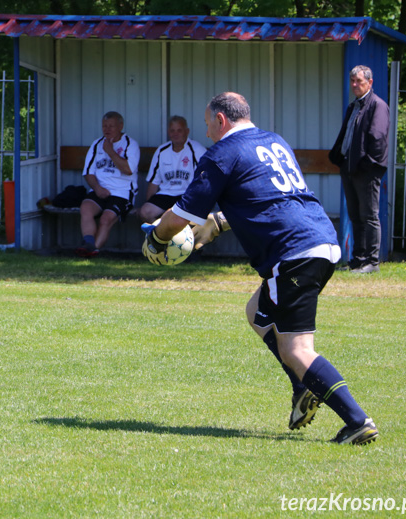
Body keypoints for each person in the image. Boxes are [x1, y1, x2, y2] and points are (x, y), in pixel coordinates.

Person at [143, 92, 378, 445]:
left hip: (293, 251)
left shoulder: (221, 153)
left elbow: (181, 213)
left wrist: (156, 241)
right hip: (320, 241)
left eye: (208, 124)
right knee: (257, 312)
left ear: (221, 121)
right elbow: (269, 197)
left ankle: (357, 420)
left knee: (297, 349)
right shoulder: (273, 140)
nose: (207, 133)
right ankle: (303, 387)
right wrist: (219, 224)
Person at [329, 65, 390, 273]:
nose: (355, 85)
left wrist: (366, 164)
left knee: (369, 216)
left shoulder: (377, 106)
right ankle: (358, 259)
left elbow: (378, 139)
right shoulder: (354, 106)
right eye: (353, 81)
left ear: (370, 83)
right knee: (355, 216)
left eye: (359, 81)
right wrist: (340, 158)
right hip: (349, 167)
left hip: (366, 170)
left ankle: (372, 262)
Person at [75, 111, 140, 257]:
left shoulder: (130, 144)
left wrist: (110, 152)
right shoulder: (97, 144)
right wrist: (97, 189)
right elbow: (88, 172)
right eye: (104, 126)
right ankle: (89, 243)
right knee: (85, 207)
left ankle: (92, 251)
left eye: (111, 126)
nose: (107, 129)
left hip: (123, 193)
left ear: (120, 126)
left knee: (106, 218)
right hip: (100, 190)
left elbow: (128, 169)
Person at [137, 115, 207, 223]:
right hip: (166, 195)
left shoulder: (197, 150)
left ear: (187, 131)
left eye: (179, 130)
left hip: (187, 195)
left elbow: (207, 180)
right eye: (172, 130)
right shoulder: (161, 151)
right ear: (168, 132)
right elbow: (154, 183)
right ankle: (164, 238)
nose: (175, 134)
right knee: (145, 212)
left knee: (181, 217)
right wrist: (150, 202)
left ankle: (178, 239)